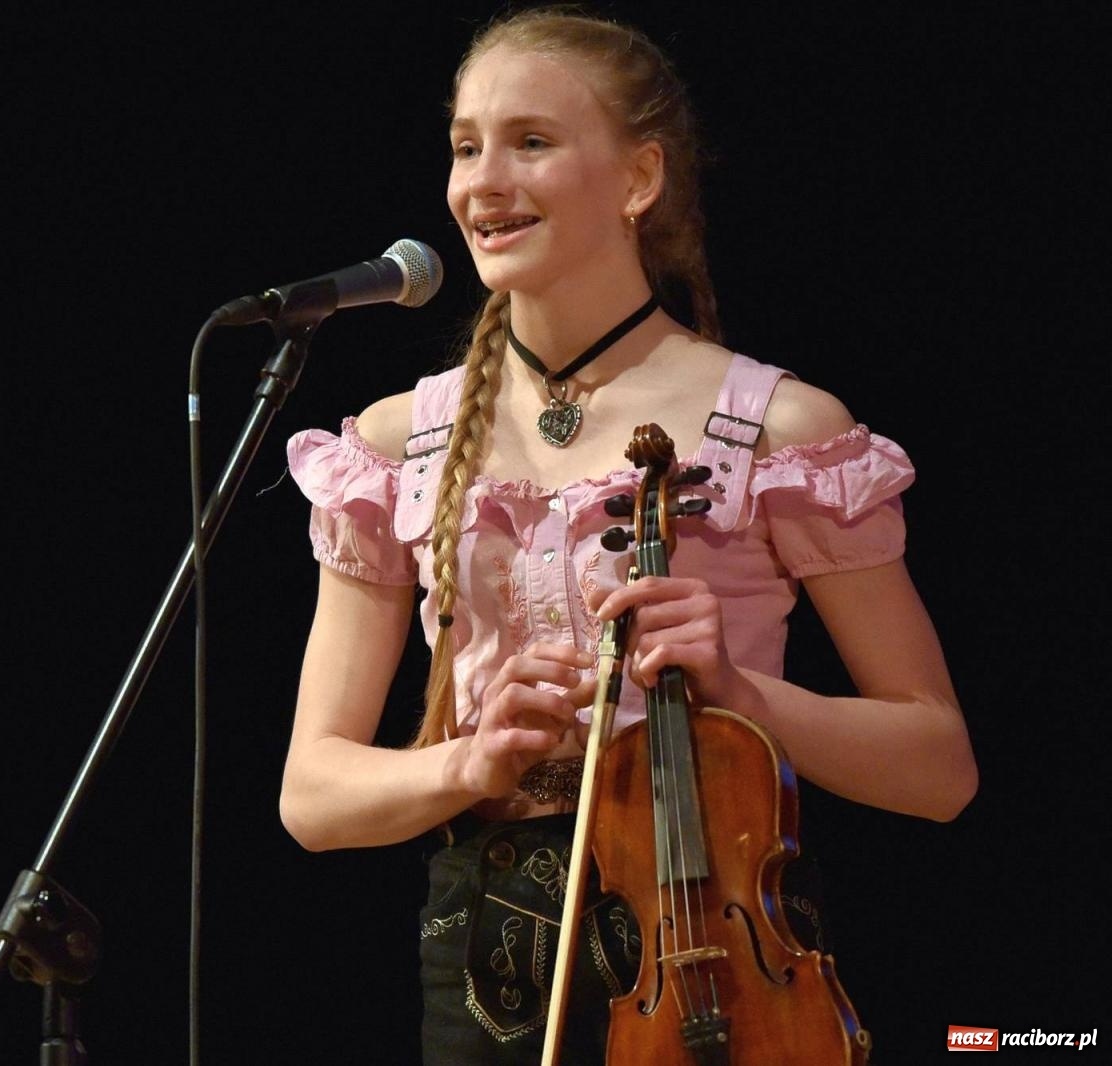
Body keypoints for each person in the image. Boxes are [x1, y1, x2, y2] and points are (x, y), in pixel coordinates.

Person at [277, 5, 978, 1064]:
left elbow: (938, 767)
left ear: (639, 178)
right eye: (466, 146)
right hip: (485, 978)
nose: (481, 182)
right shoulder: (394, 444)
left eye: (532, 142)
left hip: (715, 952)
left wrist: (743, 697)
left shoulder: (778, 428)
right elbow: (313, 796)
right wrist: (472, 761)